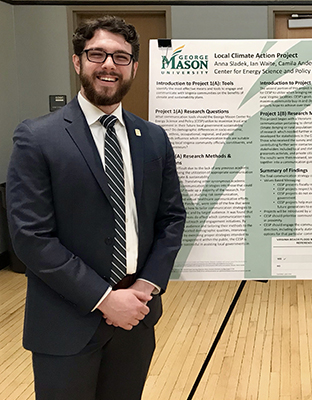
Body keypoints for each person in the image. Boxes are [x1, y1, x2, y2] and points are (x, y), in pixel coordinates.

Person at [6, 16, 186, 400]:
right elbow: (31, 237)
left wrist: (143, 288)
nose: (109, 65)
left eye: (121, 57)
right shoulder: (37, 138)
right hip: (66, 321)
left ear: (135, 67)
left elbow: (172, 219)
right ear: (77, 62)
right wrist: (105, 299)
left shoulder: (153, 138)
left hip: (136, 317)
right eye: (97, 54)